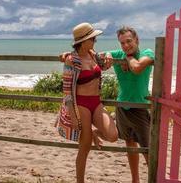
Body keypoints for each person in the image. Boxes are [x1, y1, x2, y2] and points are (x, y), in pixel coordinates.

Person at [56, 22, 118, 183]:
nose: (95, 41)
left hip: (96, 103)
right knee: (84, 148)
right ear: (82, 41)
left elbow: (103, 66)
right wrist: (73, 115)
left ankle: (94, 134)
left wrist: (109, 56)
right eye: (93, 38)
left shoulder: (93, 54)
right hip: (81, 104)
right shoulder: (71, 60)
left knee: (113, 135)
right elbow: (67, 91)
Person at [104, 26, 154, 183]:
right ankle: (135, 180)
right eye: (122, 43)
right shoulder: (120, 54)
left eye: (129, 41)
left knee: (147, 148)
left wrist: (128, 59)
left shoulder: (147, 53)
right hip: (122, 106)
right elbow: (105, 57)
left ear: (137, 40)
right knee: (130, 144)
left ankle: (154, 179)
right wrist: (108, 55)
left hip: (140, 107)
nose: (125, 46)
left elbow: (138, 68)